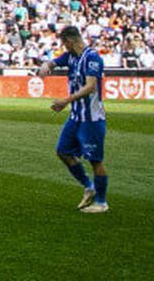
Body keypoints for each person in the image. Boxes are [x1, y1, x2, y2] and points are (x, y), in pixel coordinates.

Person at [40, 25, 109, 214]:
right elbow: (53, 62)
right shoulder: (70, 56)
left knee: (95, 160)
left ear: (70, 41)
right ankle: (89, 186)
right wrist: (46, 65)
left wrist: (65, 100)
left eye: (65, 44)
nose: (65, 48)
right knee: (63, 151)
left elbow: (91, 87)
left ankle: (101, 202)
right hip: (76, 116)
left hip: (92, 118)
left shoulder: (92, 58)